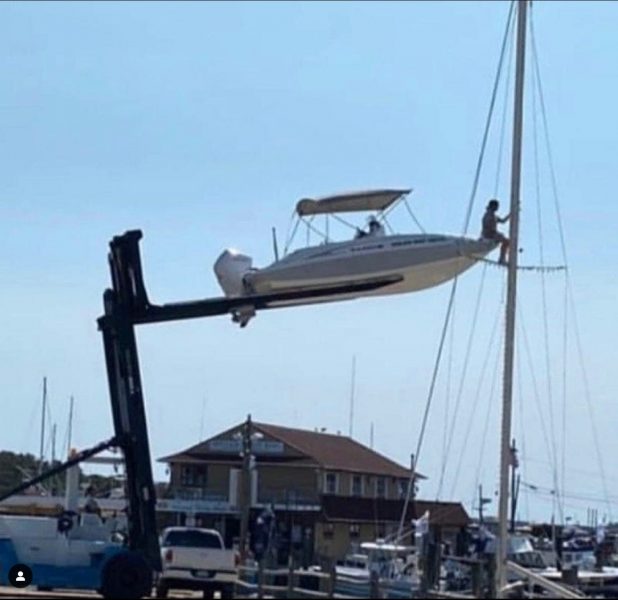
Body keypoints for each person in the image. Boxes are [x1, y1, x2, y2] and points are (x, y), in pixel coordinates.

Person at [481, 199, 510, 264]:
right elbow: (487, 226)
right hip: (489, 234)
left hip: (492, 234)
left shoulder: (494, 215)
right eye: (497, 206)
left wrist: (510, 214)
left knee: (506, 241)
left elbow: (503, 221)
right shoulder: (488, 215)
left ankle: (503, 258)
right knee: (506, 241)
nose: (498, 208)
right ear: (493, 206)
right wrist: (495, 234)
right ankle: (502, 259)